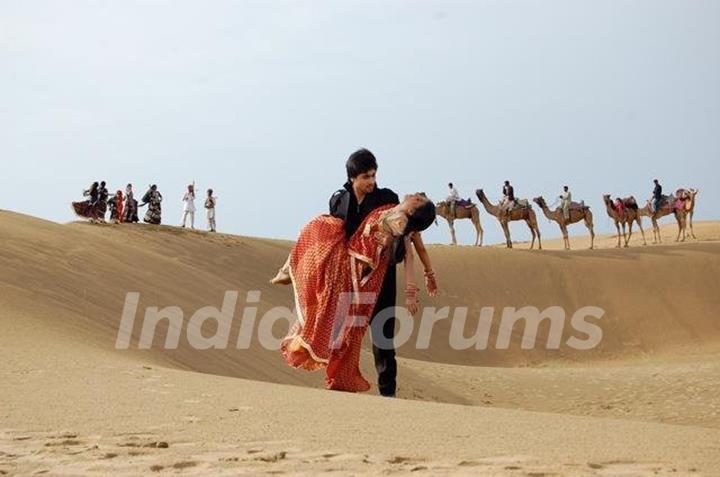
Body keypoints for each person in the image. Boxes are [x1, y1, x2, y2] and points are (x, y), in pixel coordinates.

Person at [271, 192, 436, 393]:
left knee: (321, 227)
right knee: (346, 326)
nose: (416, 194)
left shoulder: (399, 222)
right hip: (354, 264)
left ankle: (290, 269)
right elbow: (416, 252)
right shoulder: (395, 210)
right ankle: (290, 268)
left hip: (353, 270)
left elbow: (408, 256)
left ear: (414, 207)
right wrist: (429, 274)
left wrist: (411, 291)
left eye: (419, 198)